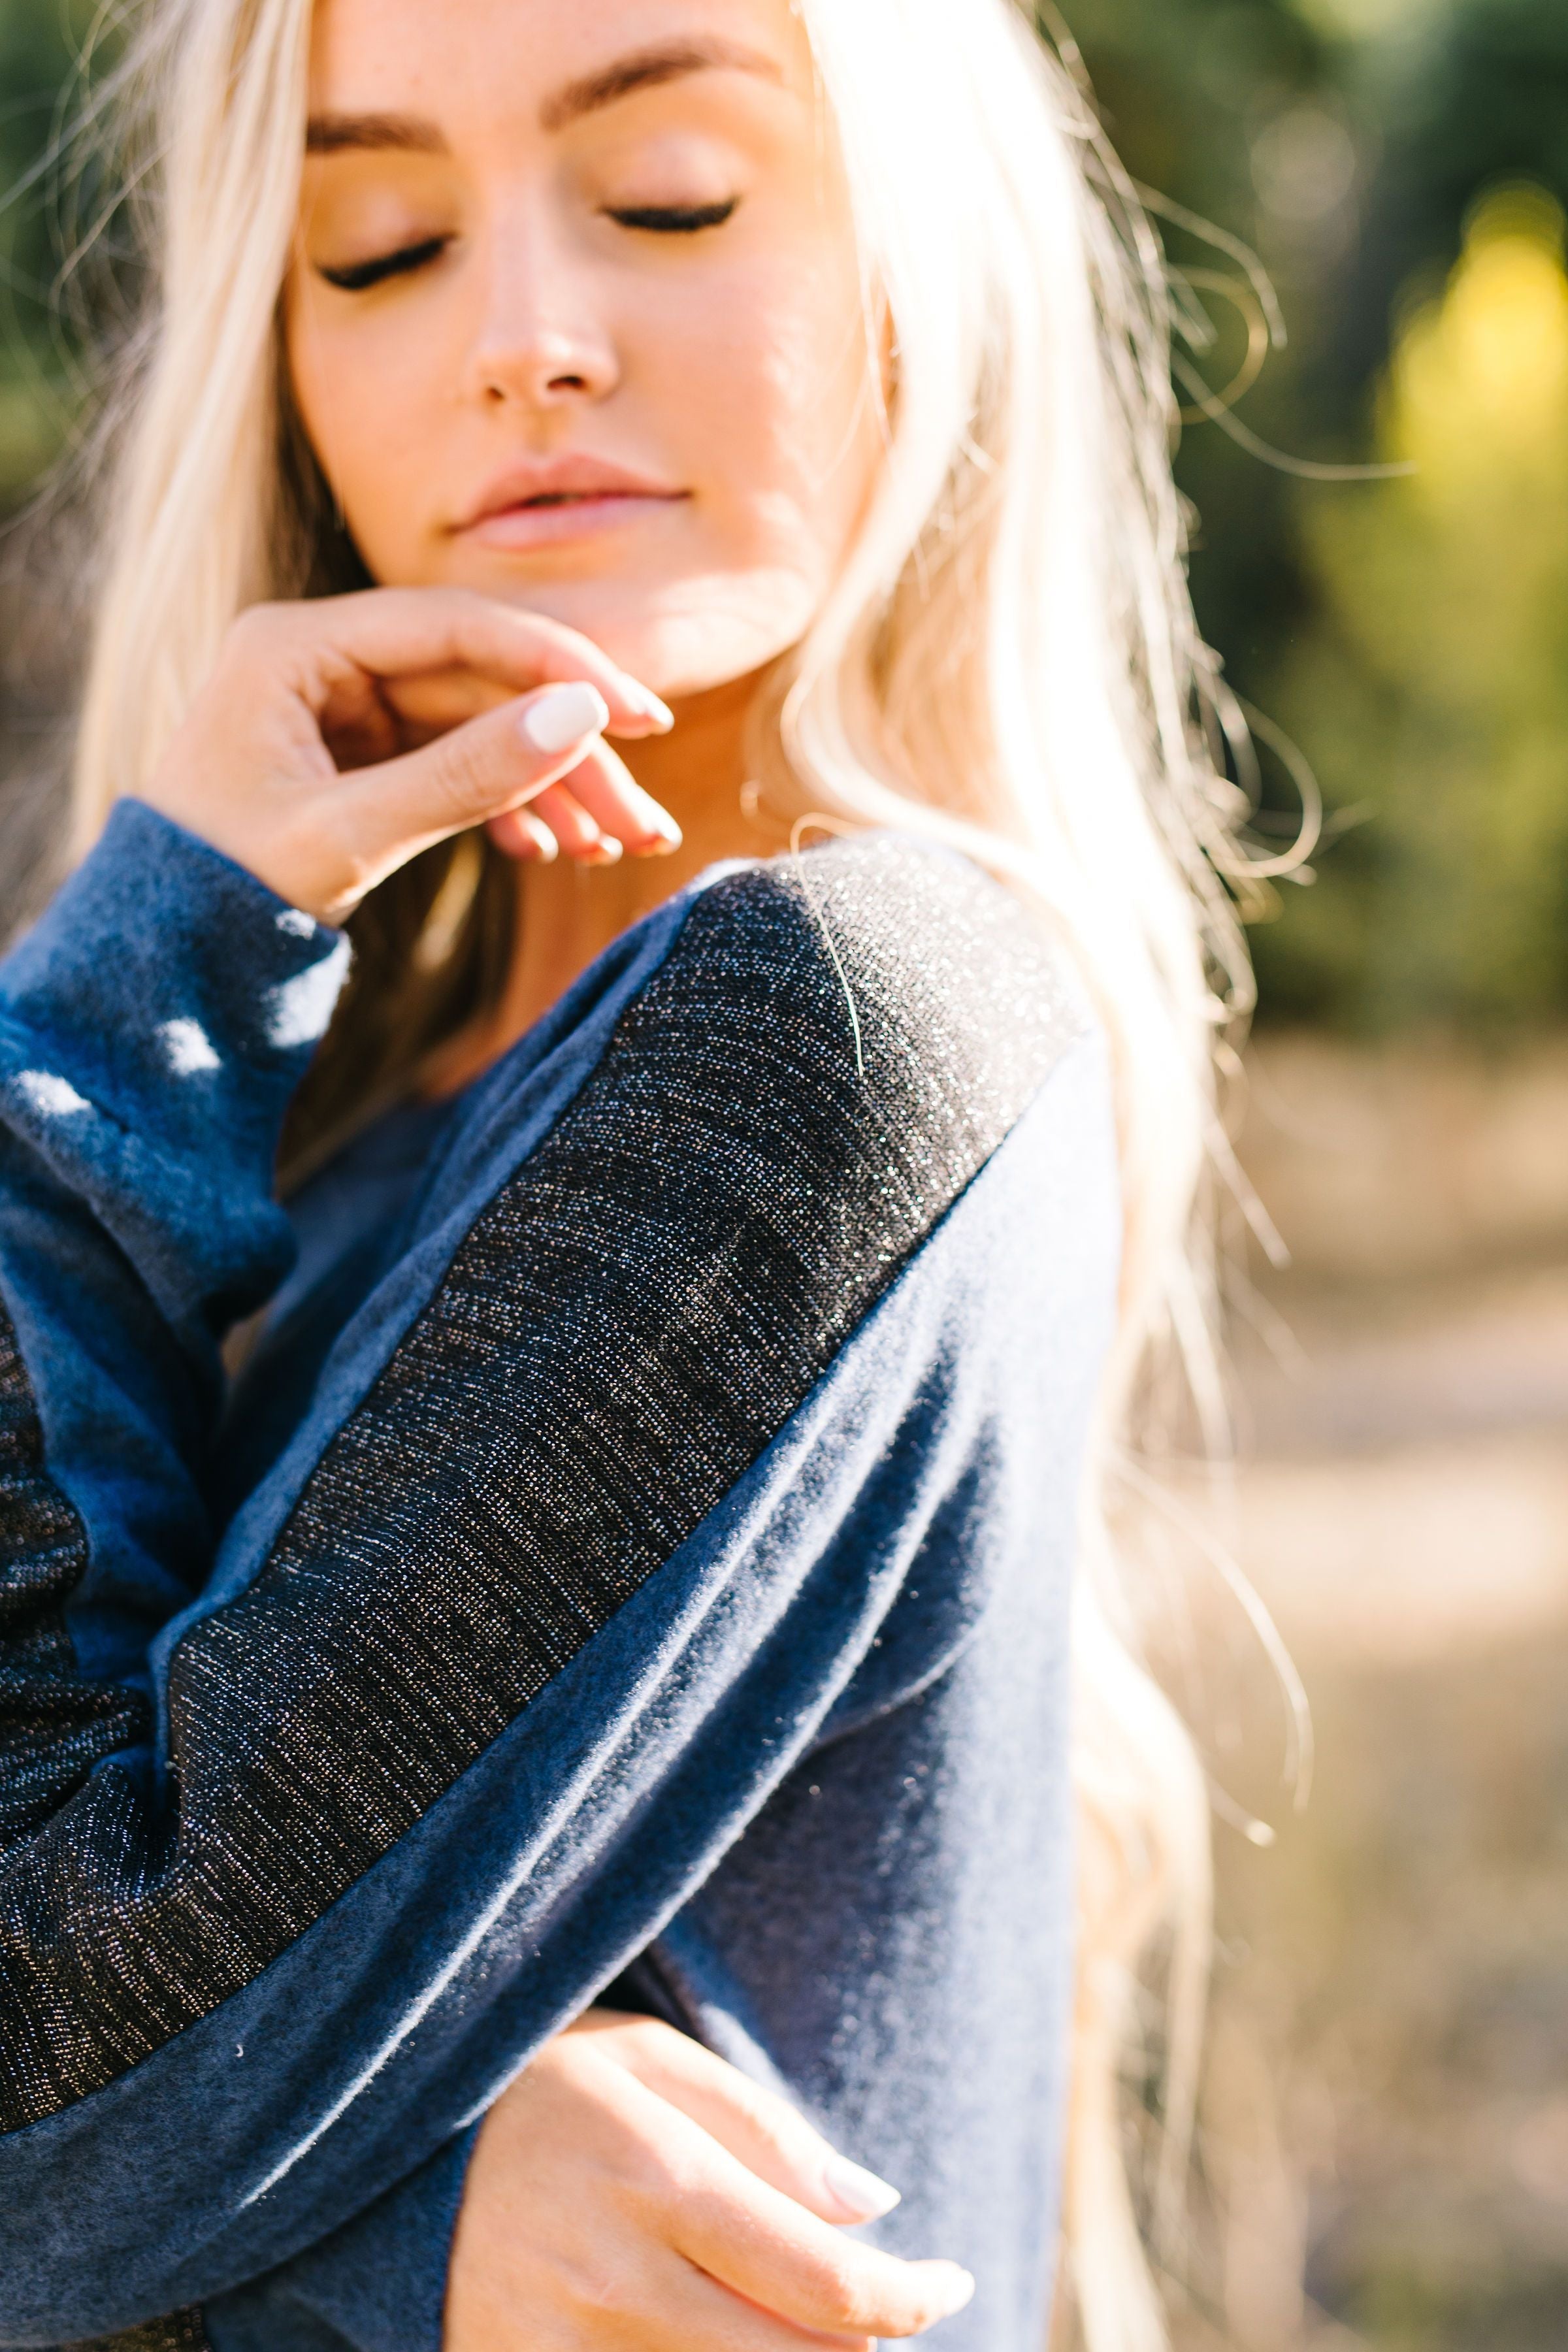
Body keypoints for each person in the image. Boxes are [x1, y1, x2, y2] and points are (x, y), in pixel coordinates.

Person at [0, 0, 1246, 2345]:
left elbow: (35, 2104)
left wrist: (110, 1025)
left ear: (920, 267)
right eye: (379, 245)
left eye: (669, 196)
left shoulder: (831, 1033)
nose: (525, 343)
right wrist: (410, 2230)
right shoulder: (331, 1116)